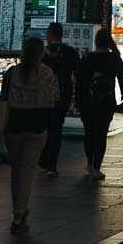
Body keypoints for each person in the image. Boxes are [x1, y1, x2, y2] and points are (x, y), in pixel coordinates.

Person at [0, 38, 58, 233]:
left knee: (17, 170)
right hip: (37, 127)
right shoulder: (47, 73)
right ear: (41, 54)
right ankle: (19, 213)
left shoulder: (12, 73)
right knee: (27, 171)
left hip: (14, 127)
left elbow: (3, 99)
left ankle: (19, 211)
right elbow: (53, 100)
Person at [76, 28, 123, 178]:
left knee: (89, 134)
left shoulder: (87, 58)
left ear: (96, 42)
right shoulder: (115, 58)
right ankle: (96, 167)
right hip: (106, 101)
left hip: (87, 102)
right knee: (101, 134)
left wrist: (79, 100)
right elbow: (122, 78)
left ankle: (89, 163)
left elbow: (80, 82)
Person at [38, 22, 78, 175]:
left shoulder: (43, 52)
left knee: (44, 127)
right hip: (63, 95)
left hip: (44, 96)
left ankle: (43, 159)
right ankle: (51, 164)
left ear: (50, 34)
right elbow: (77, 72)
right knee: (56, 129)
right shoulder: (70, 52)